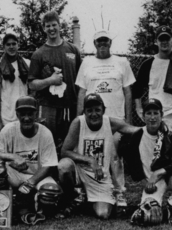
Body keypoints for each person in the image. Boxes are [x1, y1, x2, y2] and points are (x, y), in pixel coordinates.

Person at [75, 30, 136, 207]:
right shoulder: (87, 62)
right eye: (99, 41)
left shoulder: (122, 62)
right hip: (91, 119)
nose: (102, 44)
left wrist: (128, 120)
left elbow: (127, 91)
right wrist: (79, 117)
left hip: (115, 118)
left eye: (105, 41)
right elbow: (82, 91)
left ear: (110, 42)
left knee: (115, 156)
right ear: (94, 44)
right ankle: (84, 191)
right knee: (87, 154)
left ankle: (119, 192)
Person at [58, 93, 138, 219]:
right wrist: (90, 160)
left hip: (99, 176)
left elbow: (135, 130)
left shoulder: (110, 122)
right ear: (84, 111)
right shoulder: (78, 123)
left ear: (103, 110)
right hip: (80, 171)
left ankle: (85, 200)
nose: (93, 114)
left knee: (103, 213)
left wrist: (157, 127)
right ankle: (73, 196)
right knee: (64, 166)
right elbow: (65, 151)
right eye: (89, 110)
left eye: (97, 110)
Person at [0, 96, 60, 225]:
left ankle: (31, 205)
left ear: (36, 114)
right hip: (15, 175)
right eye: (22, 114)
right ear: (17, 114)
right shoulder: (9, 129)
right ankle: (3, 207)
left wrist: (30, 183)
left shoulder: (45, 133)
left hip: (37, 175)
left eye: (30, 114)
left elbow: (49, 165)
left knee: (50, 192)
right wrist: (14, 157)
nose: (26, 118)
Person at [28, 10, 81, 146]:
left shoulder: (72, 50)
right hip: (47, 107)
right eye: (48, 26)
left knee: (69, 145)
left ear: (59, 25)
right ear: (44, 28)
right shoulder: (38, 54)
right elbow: (32, 84)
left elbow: (81, 80)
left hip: (70, 106)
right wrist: (50, 81)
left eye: (54, 25)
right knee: (47, 144)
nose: (51, 29)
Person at [120, 98, 172, 226]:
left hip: (168, 177)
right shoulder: (137, 136)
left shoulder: (168, 136)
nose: (152, 117)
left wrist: (159, 172)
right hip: (152, 183)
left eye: (156, 113)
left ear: (162, 115)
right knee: (150, 213)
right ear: (143, 116)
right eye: (149, 113)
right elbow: (133, 166)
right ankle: (166, 212)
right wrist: (145, 181)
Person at [133, 25, 172, 130]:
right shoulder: (148, 64)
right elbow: (137, 89)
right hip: (156, 115)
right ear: (156, 41)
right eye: (161, 39)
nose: (164, 42)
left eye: (167, 38)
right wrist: (139, 109)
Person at [0, 33, 30, 136]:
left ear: (18, 45)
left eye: (14, 44)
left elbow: (32, 89)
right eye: (8, 44)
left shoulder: (27, 64)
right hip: (7, 116)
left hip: (24, 113)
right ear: (4, 47)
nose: (11, 47)